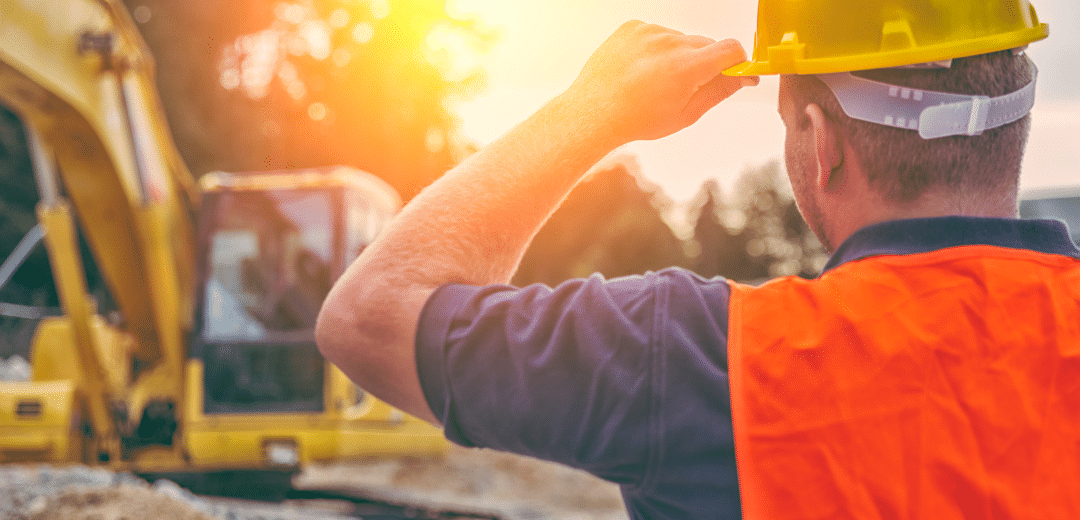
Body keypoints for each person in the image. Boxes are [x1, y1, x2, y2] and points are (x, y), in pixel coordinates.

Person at [317, 1, 1080, 518]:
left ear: (821, 142)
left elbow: (369, 316)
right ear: (1016, 115)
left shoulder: (698, 359)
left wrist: (593, 112)